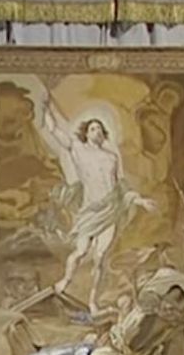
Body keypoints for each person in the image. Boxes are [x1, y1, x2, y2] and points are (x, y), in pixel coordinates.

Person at [34, 95, 159, 312]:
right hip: (90, 211)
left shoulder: (112, 157)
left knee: (100, 258)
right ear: (86, 132)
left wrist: (140, 200)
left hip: (110, 210)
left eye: (100, 129)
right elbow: (55, 132)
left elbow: (121, 185)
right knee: (81, 252)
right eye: (92, 128)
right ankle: (65, 280)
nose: (97, 132)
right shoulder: (78, 149)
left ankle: (93, 301)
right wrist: (47, 111)